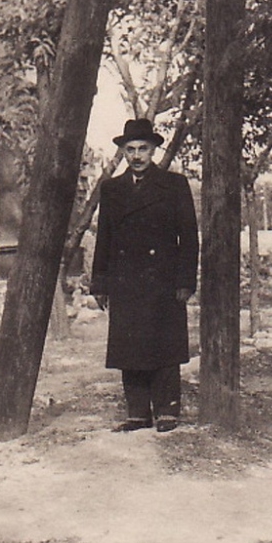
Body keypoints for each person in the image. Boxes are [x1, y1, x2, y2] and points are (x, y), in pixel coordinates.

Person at [90, 119, 199, 433]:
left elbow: (189, 237)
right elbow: (104, 238)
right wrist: (100, 282)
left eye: (142, 149)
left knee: (164, 344)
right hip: (125, 279)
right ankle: (138, 412)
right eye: (130, 149)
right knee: (130, 344)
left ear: (153, 150)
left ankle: (167, 410)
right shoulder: (111, 189)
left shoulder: (174, 185)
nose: (136, 156)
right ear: (123, 152)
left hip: (163, 279)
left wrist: (185, 280)